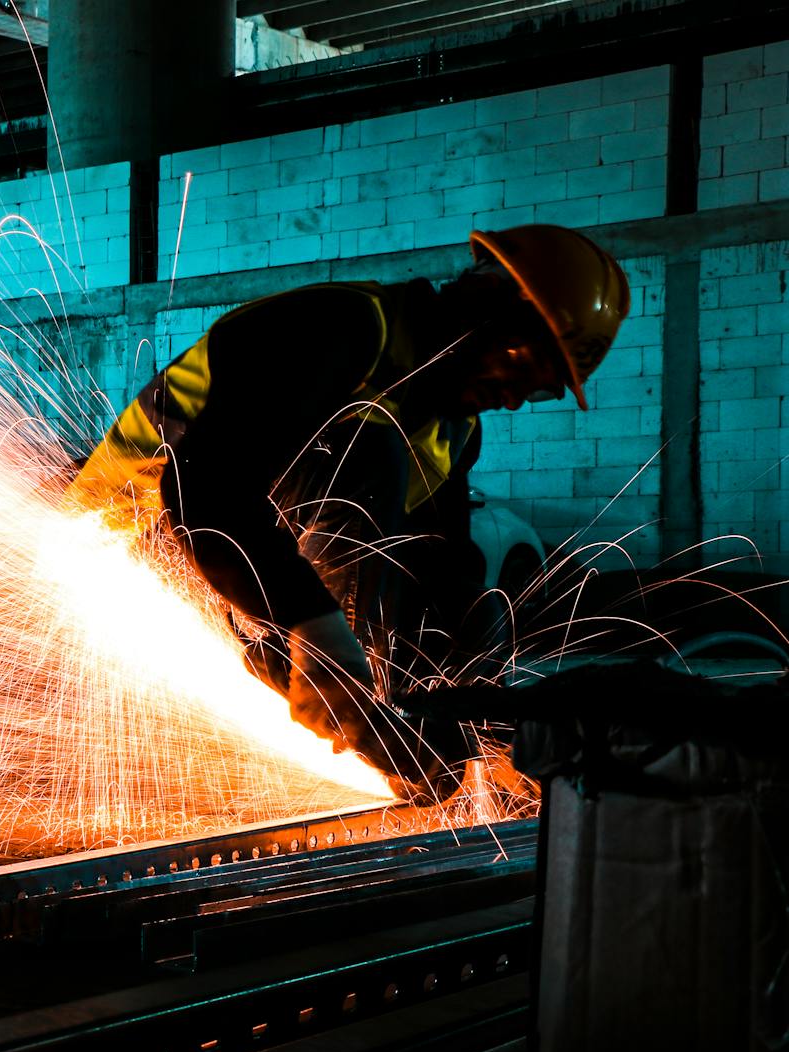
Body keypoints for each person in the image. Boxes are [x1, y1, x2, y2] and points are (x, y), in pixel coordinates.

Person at [68, 224, 629, 795]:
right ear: (489, 307)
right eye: (523, 371)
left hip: (227, 559)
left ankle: (365, 705)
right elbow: (206, 493)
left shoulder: (454, 430)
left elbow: (441, 573)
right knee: (367, 453)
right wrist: (315, 630)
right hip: (130, 546)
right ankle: (303, 667)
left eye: (537, 392)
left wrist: (471, 719)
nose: (513, 398)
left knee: (463, 609)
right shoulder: (342, 328)